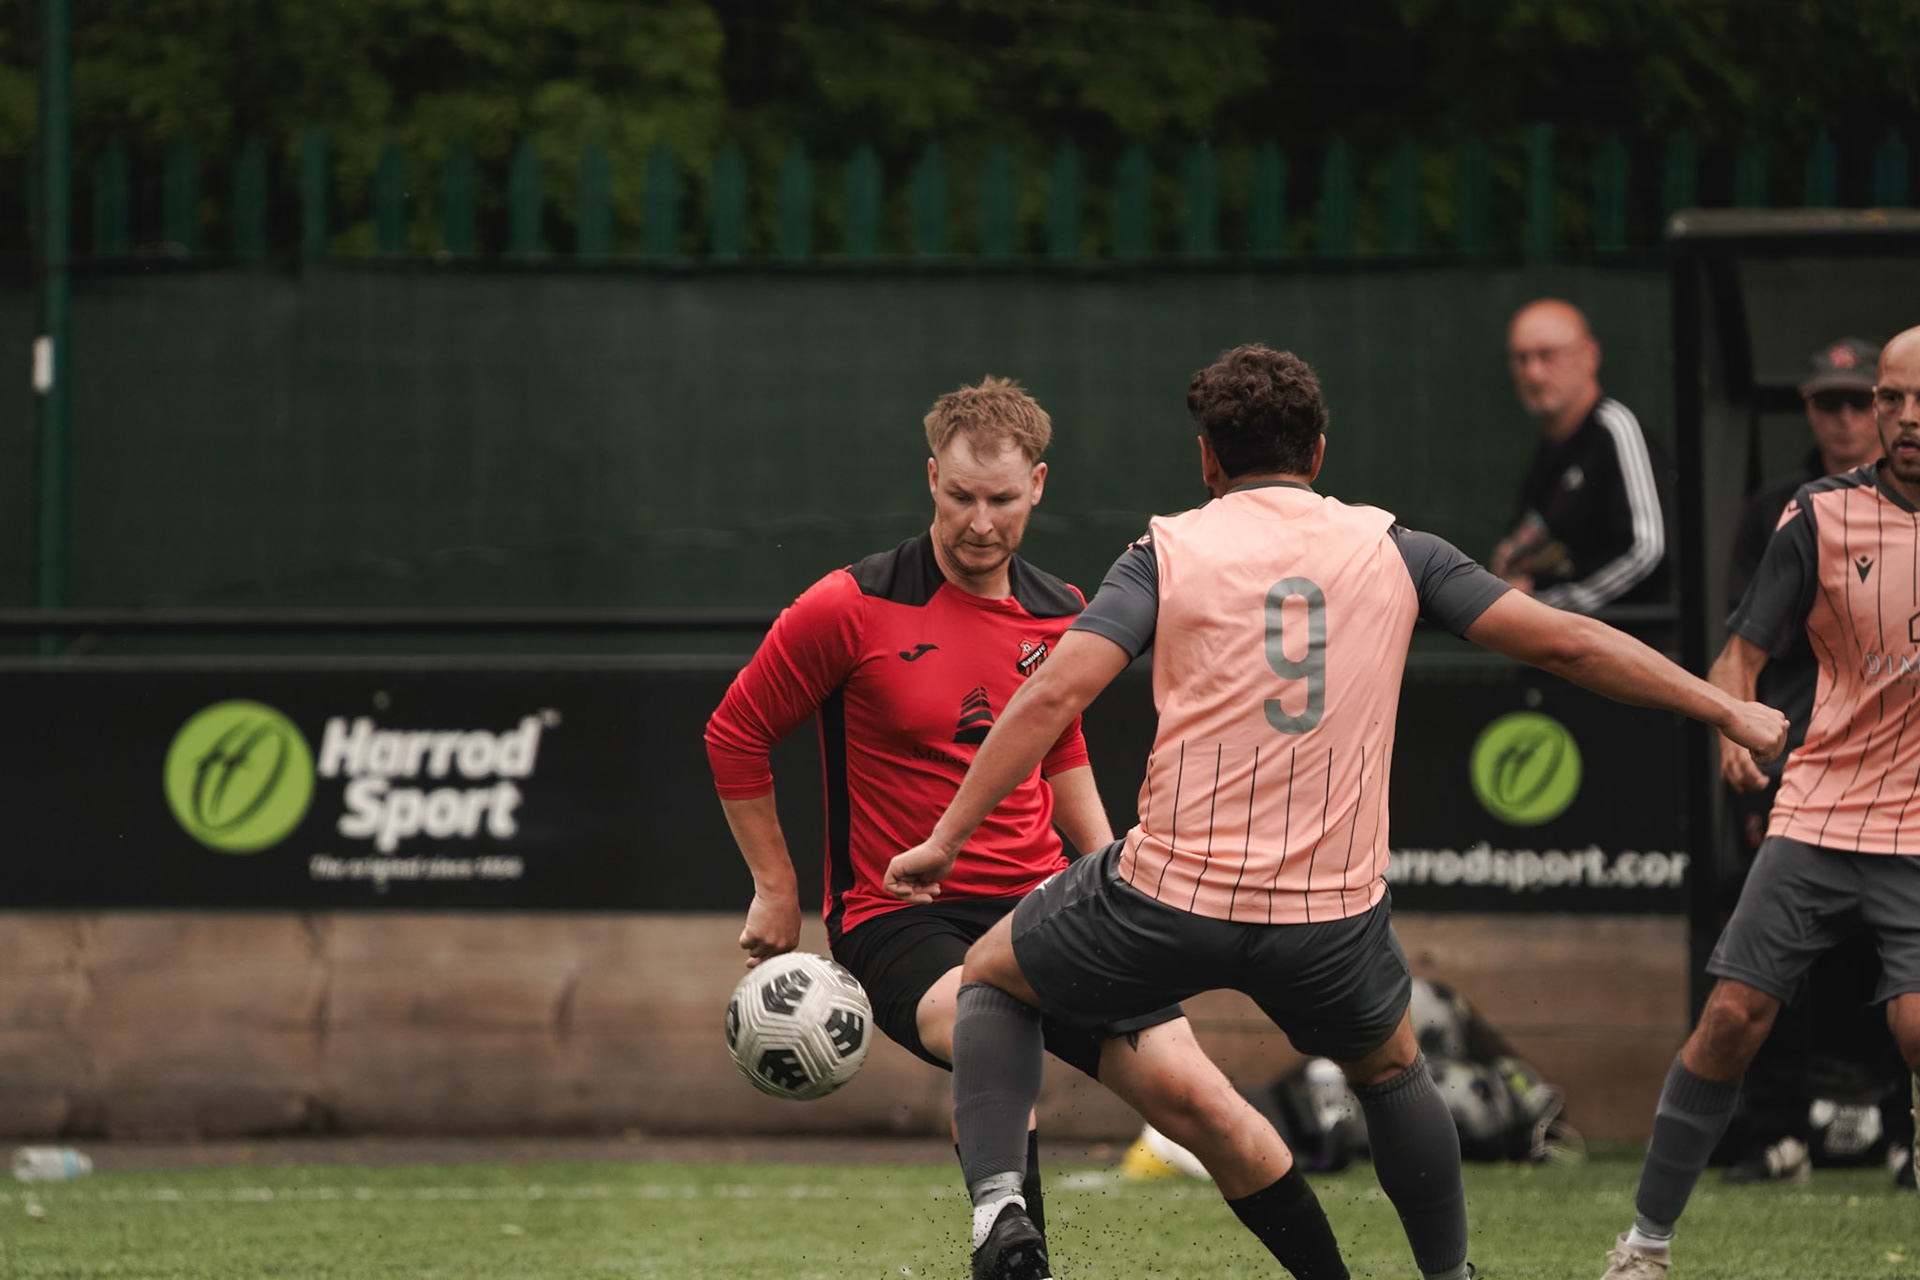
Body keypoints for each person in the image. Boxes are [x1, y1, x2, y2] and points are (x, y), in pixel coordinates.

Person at [884, 346, 1787, 1280]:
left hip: (1168, 897)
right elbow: (1570, 644)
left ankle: (1000, 1208)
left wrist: (946, 839)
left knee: (993, 977)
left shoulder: (1165, 551)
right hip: (1327, 919)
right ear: (1318, 452)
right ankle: (1449, 1276)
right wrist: (1726, 709)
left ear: (1207, 458)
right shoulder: (1398, 550)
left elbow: (1054, 694)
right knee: (1393, 1071)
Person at [704, 376, 1307, 1275]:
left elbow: (1058, 749)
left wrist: (1114, 871)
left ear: (1038, 486)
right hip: (901, 917)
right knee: (993, 1026)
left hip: (1042, 905)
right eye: (960, 497)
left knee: (1203, 1103)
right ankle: (1014, 1247)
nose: (979, 523)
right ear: (931, 480)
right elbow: (735, 734)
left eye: (1001, 500)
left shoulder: (1062, 609)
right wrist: (776, 889)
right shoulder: (849, 605)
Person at [1596, 325, 1920, 1280]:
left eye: (1919, 401)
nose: (1904, 418)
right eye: (1892, 398)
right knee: (1733, 1016)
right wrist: (1731, 719)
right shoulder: (1818, 515)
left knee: (1915, 1029)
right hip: (1821, 803)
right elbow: (1740, 653)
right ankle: (1645, 1246)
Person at [1717, 336, 1900, 1186]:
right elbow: (1741, 650)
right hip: (1802, 761)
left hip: (1901, 765)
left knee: (1901, 962)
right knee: (1757, 968)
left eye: (1864, 400)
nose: (1848, 417)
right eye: (1831, 402)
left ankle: (1904, 1132)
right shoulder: (1786, 512)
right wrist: (1739, 733)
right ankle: (1776, 1133)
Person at [1492, 298, 1671, 614]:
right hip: (1566, 641)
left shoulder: (1616, 429)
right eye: (1521, 359)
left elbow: (1646, 551)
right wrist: (1514, 558)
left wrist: (1545, 606)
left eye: (1547, 355)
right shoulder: (1548, 451)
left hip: (1627, 640)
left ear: (1590, 355)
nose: (1533, 373)